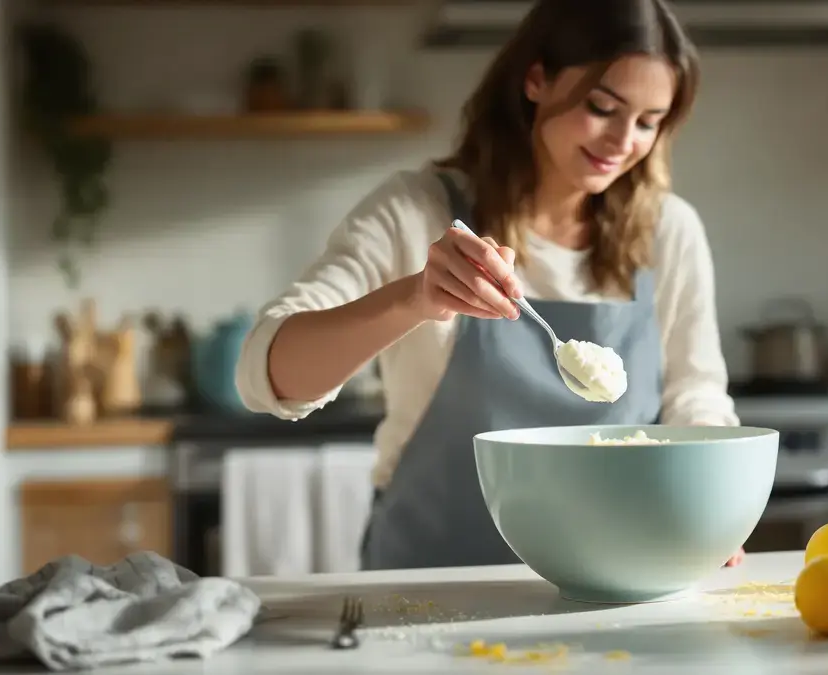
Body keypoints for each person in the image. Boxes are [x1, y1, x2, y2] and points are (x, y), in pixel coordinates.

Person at [235, 0, 746, 571]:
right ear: (536, 79)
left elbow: (694, 393)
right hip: (427, 581)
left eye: (650, 122)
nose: (623, 141)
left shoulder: (667, 232)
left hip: (610, 578)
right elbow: (267, 372)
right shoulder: (416, 211)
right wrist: (413, 299)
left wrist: (710, 495)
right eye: (603, 107)